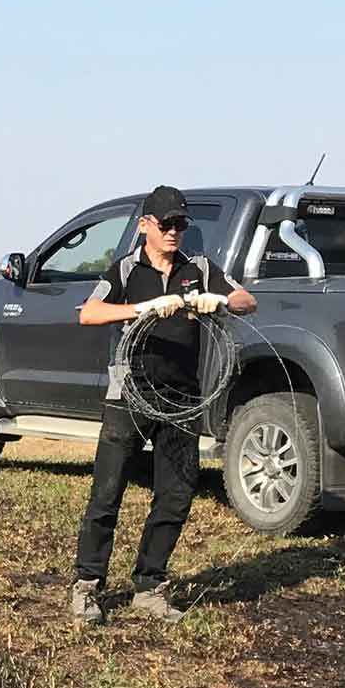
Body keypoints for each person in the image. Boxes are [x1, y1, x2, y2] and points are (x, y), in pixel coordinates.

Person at [70, 185, 257, 625]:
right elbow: (89, 313)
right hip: (130, 395)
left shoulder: (200, 269)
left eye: (180, 224)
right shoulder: (125, 270)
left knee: (175, 495)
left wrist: (223, 300)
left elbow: (249, 302)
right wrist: (142, 308)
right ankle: (87, 586)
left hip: (182, 399)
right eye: (166, 224)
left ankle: (150, 586)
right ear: (145, 227)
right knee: (107, 492)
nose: (174, 232)